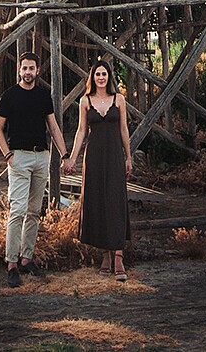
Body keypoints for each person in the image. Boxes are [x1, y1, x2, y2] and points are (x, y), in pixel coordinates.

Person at [0, 50, 66, 287]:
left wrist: (63, 154)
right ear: (19, 70)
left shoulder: (43, 96)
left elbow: (53, 128)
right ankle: (11, 263)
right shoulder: (10, 96)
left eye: (31, 68)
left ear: (37, 71)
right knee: (18, 210)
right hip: (20, 158)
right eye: (24, 68)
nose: (27, 72)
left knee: (34, 210)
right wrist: (8, 156)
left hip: (41, 156)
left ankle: (27, 258)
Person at [63, 56, 132, 279]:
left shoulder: (118, 99)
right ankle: (105, 255)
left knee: (115, 200)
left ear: (109, 77)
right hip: (93, 157)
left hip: (113, 156)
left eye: (104, 74)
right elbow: (81, 131)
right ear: (92, 77)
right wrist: (72, 158)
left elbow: (123, 130)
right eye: (97, 74)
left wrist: (128, 157)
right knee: (98, 201)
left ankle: (119, 256)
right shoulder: (85, 101)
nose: (101, 77)